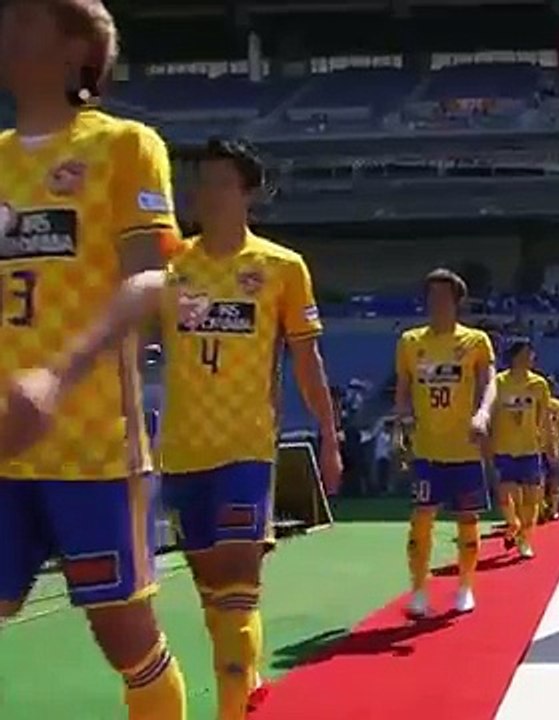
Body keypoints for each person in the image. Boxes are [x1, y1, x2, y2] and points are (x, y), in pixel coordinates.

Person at [0, 1, 188, 717]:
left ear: (79, 48)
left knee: (125, 637)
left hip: (94, 448)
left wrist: (59, 373)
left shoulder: (124, 146)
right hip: (4, 447)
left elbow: (150, 276)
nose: (7, 30)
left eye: (26, 19)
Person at [159, 137, 341, 719]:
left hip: (245, 454)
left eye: (218, 183)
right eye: (199, 183)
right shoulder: (170, 267)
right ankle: (247, 679)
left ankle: (233, 704)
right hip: (182, 456)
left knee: (237, 600)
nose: (205, 194)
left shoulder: (281, 268)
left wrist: (330, 440)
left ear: (247, 194)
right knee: (215, 603)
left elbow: (307, 364)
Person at [395, 269, 497, 618]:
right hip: (427, 448)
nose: (435, 303)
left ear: (456, 302)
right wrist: (403, 419)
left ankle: (465, 587)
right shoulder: (410, 342)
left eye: (442, 297)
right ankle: (419, 590)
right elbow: (404, 388)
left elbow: (489, 383)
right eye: (431, 296)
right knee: (421, 519)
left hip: (464, 449)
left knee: (467, 519)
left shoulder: (475, 341)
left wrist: (483, 414)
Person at [484, 337, 551, 559]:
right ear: (513, 357)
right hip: (504, 449)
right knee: (508, 497)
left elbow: (544, 417)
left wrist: (548, 444)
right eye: (523, 354)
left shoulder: (539, 384)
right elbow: (489, 414)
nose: (528, 358)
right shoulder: (499, 382)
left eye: (530, 354)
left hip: (530, 449)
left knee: (532, 500)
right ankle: (512, 525)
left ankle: (525, 540)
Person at [541, 381, 559, 521]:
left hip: (553, 447)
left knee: (556, 479)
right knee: (538, 481)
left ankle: (554, 509)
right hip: (536, 446)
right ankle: (540, 509)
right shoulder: (536, 403)